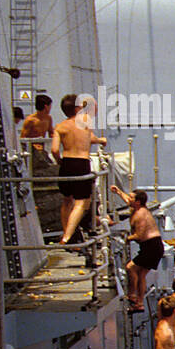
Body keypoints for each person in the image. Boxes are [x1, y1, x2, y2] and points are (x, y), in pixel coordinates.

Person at [51, 94, 106, 246]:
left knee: (67, 200)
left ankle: (66, 232)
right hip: (81, 163)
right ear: (77, 108)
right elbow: (89, 137)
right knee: (81, 203)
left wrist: (59, 161)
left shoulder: (60, 127)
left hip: (66, 163)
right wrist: (101, 140)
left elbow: (55, 149)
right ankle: (68, 237)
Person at [109, 185, 163, 311]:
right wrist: (118, 192)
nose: (129, 199)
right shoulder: (136, 207)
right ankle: (139, 303)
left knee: (131, 267)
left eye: (132, 198)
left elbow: (140, 235)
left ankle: (133, 295)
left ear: (138, 202)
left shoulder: (141, 215)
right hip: (150, 246)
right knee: (141, 274)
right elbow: (127, 200)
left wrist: (126, 238)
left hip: (152, 246)